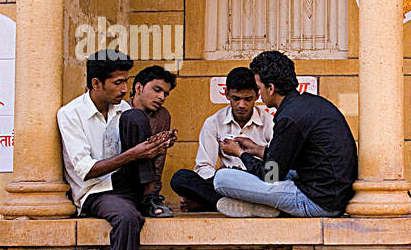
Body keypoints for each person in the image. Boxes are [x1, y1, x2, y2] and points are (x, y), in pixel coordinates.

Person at [58, 51, 176, 250]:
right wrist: (135, 154)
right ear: (96, 83)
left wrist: (154, 147)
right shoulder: (70, 115)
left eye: (126, 81)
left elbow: (135, 153)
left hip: (128, 186)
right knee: (126, 218)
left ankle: (150, 197)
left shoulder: (123, 110)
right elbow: (86, 171)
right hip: (97, 192)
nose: (125, 89)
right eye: (118, 82)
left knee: (136, 116)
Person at [212, 50, 357, 218]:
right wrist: (258, 150)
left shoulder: (289, 118)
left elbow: (271, 175)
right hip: (328, 192)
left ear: (271, 88)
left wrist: (240, 153)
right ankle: (261, 207)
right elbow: (288, 161)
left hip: (318, 202)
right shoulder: (309, 104)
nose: (259, 95)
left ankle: (265, 205)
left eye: (259, 88)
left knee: (222, 179)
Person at [170, 67, 274, 212]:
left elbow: (273, 172)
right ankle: (236, 205)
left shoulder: (270, 122)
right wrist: (220, 177)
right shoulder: (213, 122)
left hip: (256, 184)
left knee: (275, 182)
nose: (242, 105)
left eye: (248, 99)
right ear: (226, 94)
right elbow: (204, 166)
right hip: (224, 185)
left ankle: (211, 204)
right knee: (180, 178)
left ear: (257, 96)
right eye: (236, 98)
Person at [120, 65, 178, 217]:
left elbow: (158, 161)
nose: (161, 97)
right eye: (157, 90)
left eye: (166, 93)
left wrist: (154, 191)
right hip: (120, 177)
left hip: (146, 185)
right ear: (138, 88)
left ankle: (149, 198)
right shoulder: (119, 110)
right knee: (136, 119)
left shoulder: (162, 115)